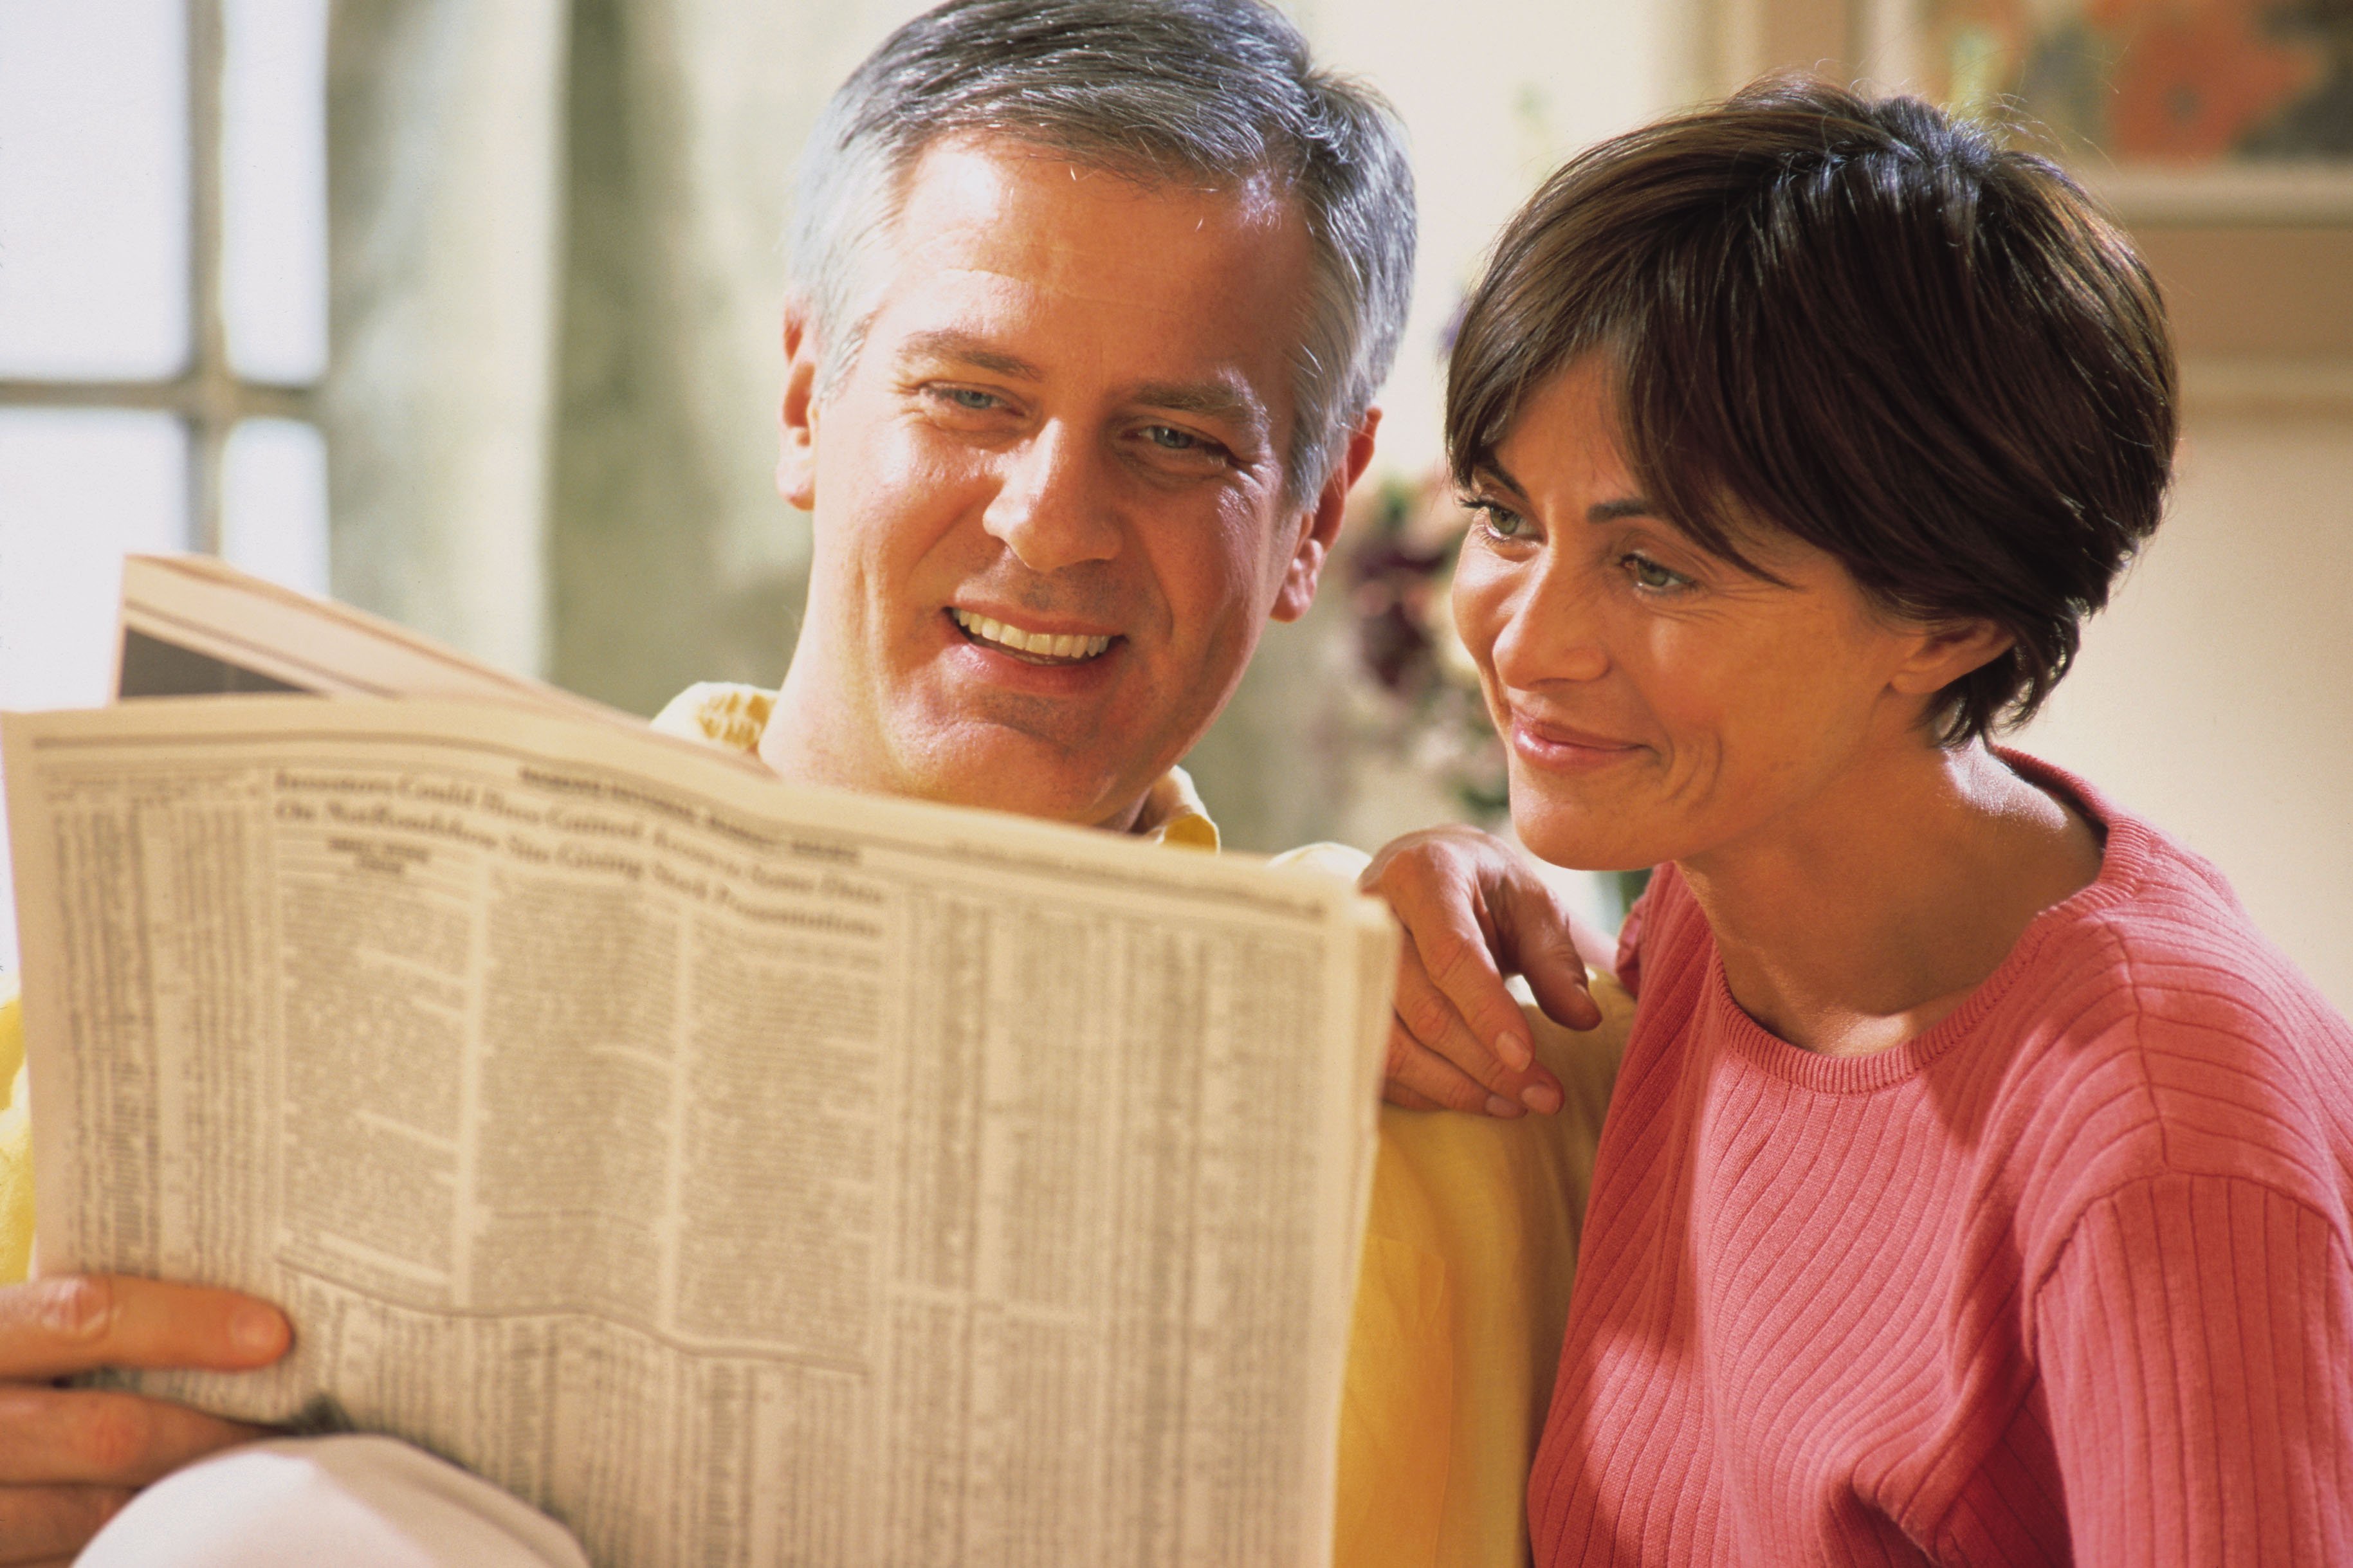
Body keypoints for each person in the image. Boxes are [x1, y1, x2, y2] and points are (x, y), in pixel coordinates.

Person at [0, 4, 1625, 1563]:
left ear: (1317, 509)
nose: (1047, 524)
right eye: (969, 397)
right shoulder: (197, 1009)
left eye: (1176, 442)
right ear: (802, 397)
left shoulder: (1472, 1075)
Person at [1425, 77, 2353, 1563]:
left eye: (1654, 568)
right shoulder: (1711, 906)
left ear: (1947, 621)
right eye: (1504, 519)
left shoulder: (2162, 1136)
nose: (1526, 643)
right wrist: (1430, 881)